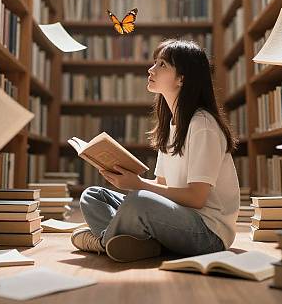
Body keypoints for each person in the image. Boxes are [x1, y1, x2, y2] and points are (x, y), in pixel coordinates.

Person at [71, 39, 240, 262]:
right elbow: (161, 188)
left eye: (162, 65)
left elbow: (196, 198)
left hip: (208, 233)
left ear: (182, 78)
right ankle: (134, 242)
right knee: (94, 195)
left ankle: (102, 242)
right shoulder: (171, 125)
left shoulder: (203, 126)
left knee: (137, 201)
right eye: (155, 63)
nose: (151, 69)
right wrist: (129, 180)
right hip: (176, 217)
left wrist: (138, 185)